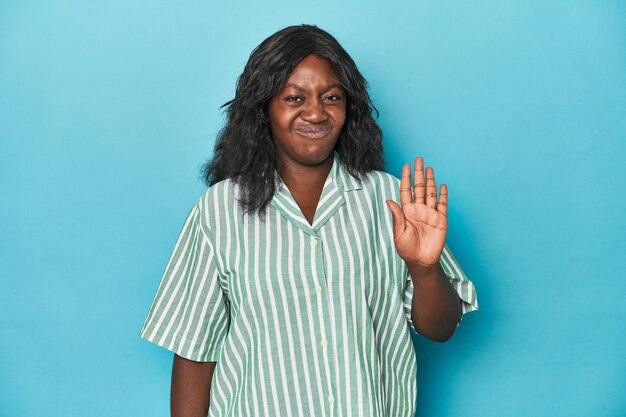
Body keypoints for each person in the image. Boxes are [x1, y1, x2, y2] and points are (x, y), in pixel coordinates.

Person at [140, 24, 478, 417]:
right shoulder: (219, 211)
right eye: (295, 97)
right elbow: (195, 354)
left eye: (331, 97)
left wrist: (424, 267)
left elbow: (441, 329)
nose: (316, 112)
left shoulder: (389, 201)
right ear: (264, 108)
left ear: (348, 106)